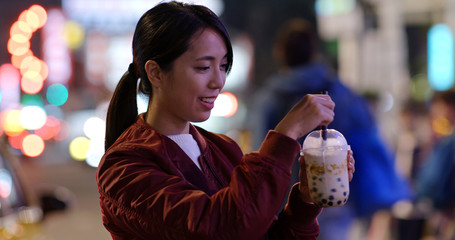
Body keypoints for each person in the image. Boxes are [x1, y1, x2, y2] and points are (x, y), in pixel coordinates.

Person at [96, 2, 355, 240]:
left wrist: (304, 200)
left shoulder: (221, 148)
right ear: (156, 73)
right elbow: (221, 228)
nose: (218, 82)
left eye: (223, 66)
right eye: (203, 67)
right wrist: (287, 133)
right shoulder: (124, 167)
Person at [249, 18, 410, 239]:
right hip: (337, 195)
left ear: (280, 53)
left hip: (286, 203)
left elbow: (262, 156)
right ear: (313, 50)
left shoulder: (270, 99)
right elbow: (369, 134)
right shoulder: (341, 92)